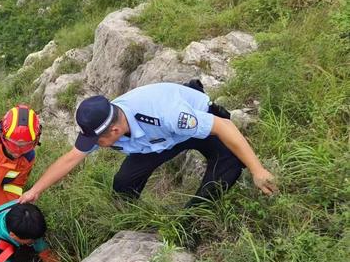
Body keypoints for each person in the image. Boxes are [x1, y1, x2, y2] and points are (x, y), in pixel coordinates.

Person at [20, 81, 277, 207]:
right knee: (123, 184)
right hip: (158, 141)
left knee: (227, 167)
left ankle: (194, 217)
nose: (96, 145)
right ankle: (133, 218)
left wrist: (257, 170)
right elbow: (71, 158)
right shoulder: (107, 125)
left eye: (99, 141)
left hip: (188, 126)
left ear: (116, 130)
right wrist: (35, 191)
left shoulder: (168, 115)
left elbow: (224, 127)